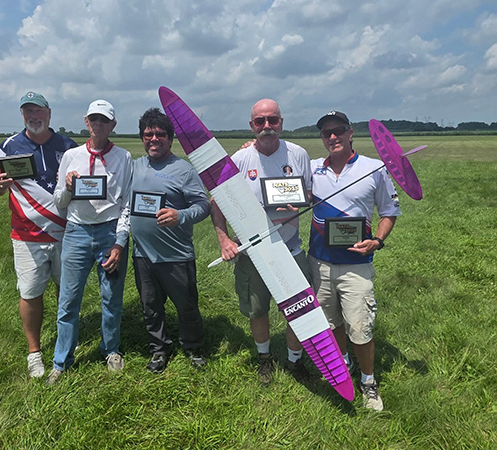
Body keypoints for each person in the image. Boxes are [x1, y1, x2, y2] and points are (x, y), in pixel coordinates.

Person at [210, 99, 313, 385]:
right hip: (252, 251)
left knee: (299, 309)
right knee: (257, 310)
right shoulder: (240, 160)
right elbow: (216, 203)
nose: (267, 126)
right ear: (252, 126)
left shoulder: (299, 154)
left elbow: (309, 193)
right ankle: (264, 359)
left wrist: (300, 203)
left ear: (282, 122)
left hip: (290, 248)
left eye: (273, 120)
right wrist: (223, 240)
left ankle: (295, 362)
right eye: (260, 121)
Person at [308, 111, 401, 411]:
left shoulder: (374, 168)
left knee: (360, 328)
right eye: (326, 133)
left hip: (356, 266)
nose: (332, 137)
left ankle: (368, 381)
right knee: (332, 323)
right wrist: (248, 149)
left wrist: (378, 240)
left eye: (338, 131)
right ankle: (343, 363)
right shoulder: (311, 169)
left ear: (350, 133)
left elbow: (389, 212)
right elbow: (279, 182)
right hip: (319, 262)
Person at [0, 91, 77, 378]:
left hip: (66, 233)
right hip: (26, 235)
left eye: (38, 111)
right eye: (27, 112)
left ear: (49, 114)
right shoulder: (8, 146)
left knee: (68, 292)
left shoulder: (68, 146)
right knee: (30, 293)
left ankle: (67, 344)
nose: (33, 116)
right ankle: (34, 352)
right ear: (22, 115)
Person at [46, 99, 133, 385]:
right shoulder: (71, 156)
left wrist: (120, 242)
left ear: (113, 125)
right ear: (86, 122)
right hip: (77, 233)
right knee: (69, 301)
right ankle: (61, 361)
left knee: (112, 299)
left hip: (110, 232)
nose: (98, 125)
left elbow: (127, 205)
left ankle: (111, 350)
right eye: (93, 119)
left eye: (104, 120)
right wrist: (69, 187)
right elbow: (59, 201)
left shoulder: (124, 157)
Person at [130, 108, 210, 374]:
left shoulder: (184, 170)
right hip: (143, 255)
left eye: (160, 134)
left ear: (170, 138)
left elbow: (202, 205)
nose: (153, 139)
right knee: (150, 308)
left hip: (176, 255)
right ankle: (159, 349)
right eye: (148, 134)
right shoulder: (135, 166)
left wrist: (180, 215)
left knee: (186, 306)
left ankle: (193, 346)